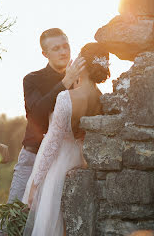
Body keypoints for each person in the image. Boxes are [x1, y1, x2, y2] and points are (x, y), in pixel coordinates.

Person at [0, 28, 85, 236]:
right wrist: (64, 83)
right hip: (33, 157)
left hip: (64, 164)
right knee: (12, 221)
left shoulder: (82, 80)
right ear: (45, 54)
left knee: (54, 225)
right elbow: (36, 114)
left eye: (66, 46)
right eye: (56, 48)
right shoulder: (32, 79)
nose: (63, 52)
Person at [22, 42, 110, 236]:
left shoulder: (66, 97)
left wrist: (36, 183)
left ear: (82, 64)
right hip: (80, 161)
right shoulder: (101, 98)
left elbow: (53, 142)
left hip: (59, 163)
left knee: (51, 222)